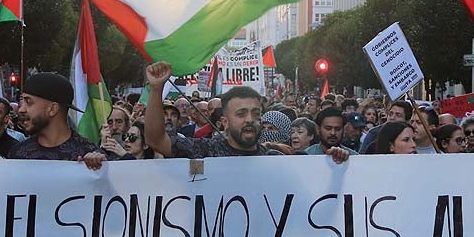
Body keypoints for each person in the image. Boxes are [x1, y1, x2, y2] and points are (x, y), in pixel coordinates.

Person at [144, 62, 347, 163]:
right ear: (224, 121)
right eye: (241, 114)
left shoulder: (274, 160)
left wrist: (335, 162)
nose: (250, 119)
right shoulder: (206, 151)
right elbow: (155, 139)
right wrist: (156, 89)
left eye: (255, 113)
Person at [9, 72, 106, 169]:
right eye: (22, 102)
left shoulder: (89, 155)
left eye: (29, 102)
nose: (21, 109)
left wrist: (97, 168)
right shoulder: (18, 154)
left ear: (52, 109)